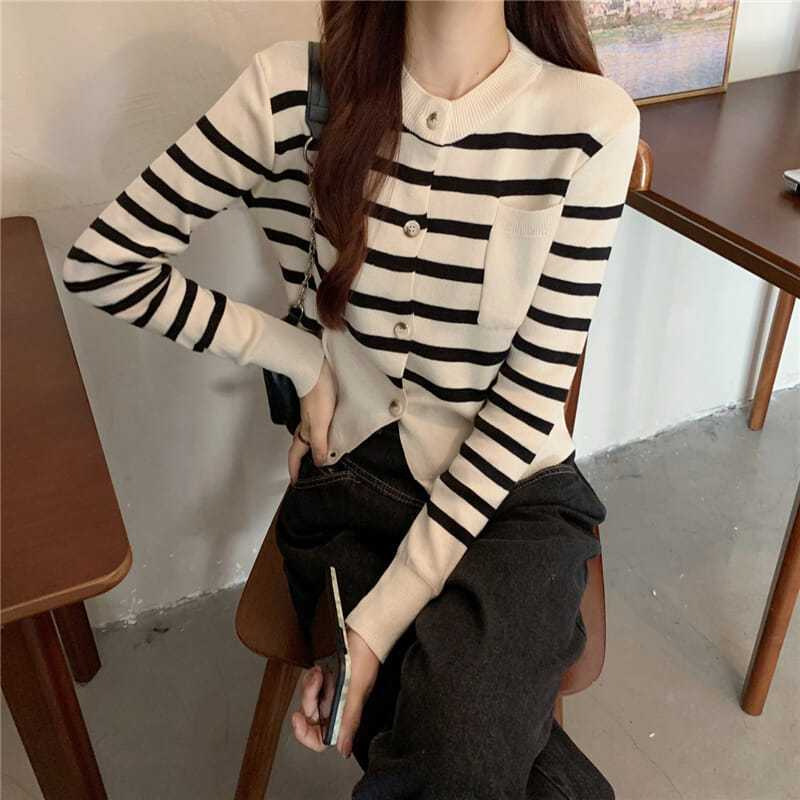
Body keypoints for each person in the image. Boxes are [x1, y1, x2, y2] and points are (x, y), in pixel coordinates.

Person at [62, 1, 640, 797]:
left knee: (455, 747)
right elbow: (105, 262)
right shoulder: (294, 90)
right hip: (354, 490)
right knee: (459, 752)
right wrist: (296, 356)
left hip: (515, 498)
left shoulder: (591, 123)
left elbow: (526, 406)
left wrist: (369, 635)